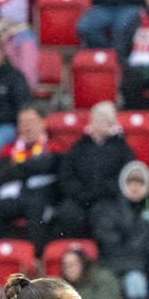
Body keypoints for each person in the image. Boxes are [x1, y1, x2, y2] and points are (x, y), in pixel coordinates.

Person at [95, 160, 149, 299]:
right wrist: (137, 258)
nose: (135, 187)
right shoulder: (108, 211)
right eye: (131, 182)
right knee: (134, 277)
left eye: (140, 182)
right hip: (117, 264)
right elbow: (110, 243)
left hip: (148, 264)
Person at [56, 102, 135, 242]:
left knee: (103, 215)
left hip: (107, 198)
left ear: (111, 124)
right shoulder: (78, 148)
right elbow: (66, 176)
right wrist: (79, 192)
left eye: (103, 121)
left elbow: (126, 177)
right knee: (67, 212)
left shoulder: (122, 149)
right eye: (95, 120)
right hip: (79, 198)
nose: (98, 125)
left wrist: (103, 189)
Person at [0, 106, 59, 250]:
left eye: (31, 122)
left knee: (36, 207)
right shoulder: (9, 149)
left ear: (42, 123)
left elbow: (51, 166)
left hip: (42, 197)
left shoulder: (53, 145)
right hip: (14, 196)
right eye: (22, 123)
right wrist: (33, 167)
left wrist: (19, 168)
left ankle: (36, 257)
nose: (26, 127)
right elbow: (2, 173)